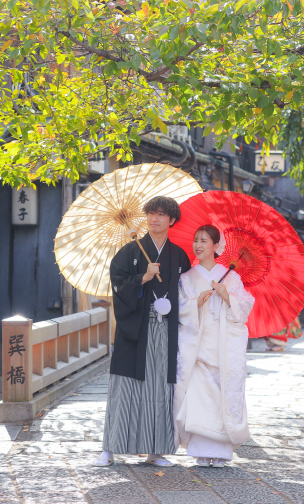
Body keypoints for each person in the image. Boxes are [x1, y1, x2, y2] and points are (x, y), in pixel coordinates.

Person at [92, 196, 192, 467]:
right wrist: (142, 278)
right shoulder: (130, 252)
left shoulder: (179, 256)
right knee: (124, 387)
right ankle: (110, 449)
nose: (154, 219)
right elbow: (117, 283)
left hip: (166, 329)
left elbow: (187, 292)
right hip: (134, 328)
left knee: (160, 388)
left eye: (161, 215)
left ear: (172, 220)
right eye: (150, 214)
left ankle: (155, 450)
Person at [174, 225, 254, 468]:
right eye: (196, 240)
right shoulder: (186, 278)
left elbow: (245, 306)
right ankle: (201, 450)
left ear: (216, 246)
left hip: (222, 346)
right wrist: (195, 302)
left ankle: (221, 452)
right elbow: (180, 309)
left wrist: (227, 295)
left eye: (204, 241)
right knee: (198, 396)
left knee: (222, 397)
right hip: (197, 346)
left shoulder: (231, 277)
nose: (198, 245)